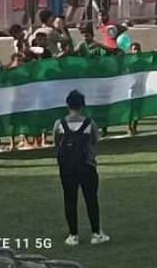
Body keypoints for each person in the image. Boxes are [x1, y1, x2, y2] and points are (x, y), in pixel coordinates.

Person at [54, 89, 109, 246]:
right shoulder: (90, 123)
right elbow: (94, 142)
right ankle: (96, 233)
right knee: (91, 199)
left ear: (67, 105)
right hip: (87, 166)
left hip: (67, 168)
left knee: (70, 200)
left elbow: (56, 143)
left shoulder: (60, 124)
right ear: (82, 105)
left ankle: (73, 235)